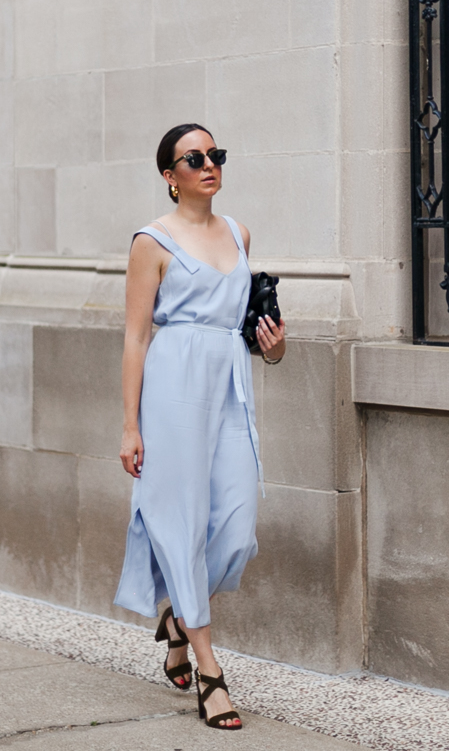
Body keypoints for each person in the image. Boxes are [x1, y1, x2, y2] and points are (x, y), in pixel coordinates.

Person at [112, 123, 286, 732]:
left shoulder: (238, 233)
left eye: (216, 155)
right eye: (195, 158)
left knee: (236, 528)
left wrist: (274, 347)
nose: (209, 164)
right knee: (180, 521)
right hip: (173, 388)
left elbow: (252, 334)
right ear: (170, 175)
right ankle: (209, 671)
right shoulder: (150, 241)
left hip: (231, 385)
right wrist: (130, 425)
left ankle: (177, 618)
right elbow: (136, 338)